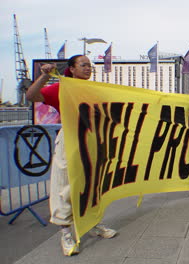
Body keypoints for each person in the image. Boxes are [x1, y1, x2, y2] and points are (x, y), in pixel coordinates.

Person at [26, 55, 117, 256]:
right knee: (65, 187)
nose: (88, 68)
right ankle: (66, 233)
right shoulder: (62, 88)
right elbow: (32, 96)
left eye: (89, 65)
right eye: (83, 65)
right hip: (70, 141)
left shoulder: (93, 91)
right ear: (72, 69)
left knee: (93, 185)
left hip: (92, 141)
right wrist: (44, 76)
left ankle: (93, 224)